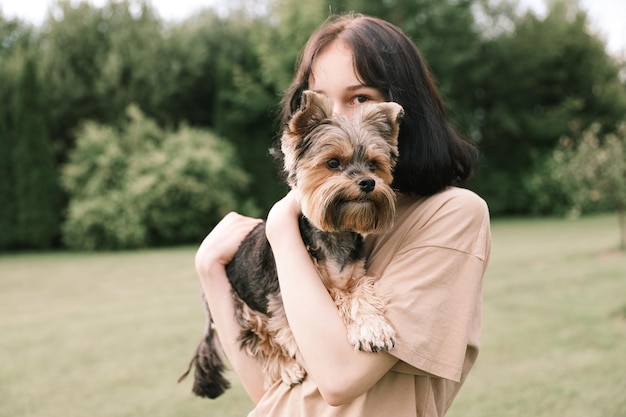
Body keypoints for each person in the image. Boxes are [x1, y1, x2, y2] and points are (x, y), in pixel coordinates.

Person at [195, 13, 491, 417]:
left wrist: (280, 224)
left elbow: (339, 379)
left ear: (399, 111)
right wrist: (211, 270)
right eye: (319, 99)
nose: (336, 118)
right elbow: (271, 396)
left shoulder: (452, 215)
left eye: (360, 98)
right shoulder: (310, 231)